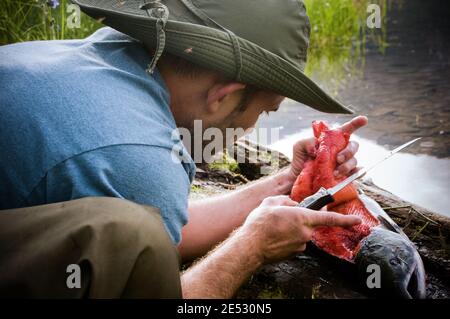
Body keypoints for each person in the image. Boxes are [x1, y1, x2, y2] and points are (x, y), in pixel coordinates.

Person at [0, 0, 366, 298]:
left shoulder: (101, 54)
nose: (254, 125)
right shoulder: (140, 154)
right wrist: (253, 247)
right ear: (224, 95)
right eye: (265, 111)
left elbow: (159, 239)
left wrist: (288, 182)